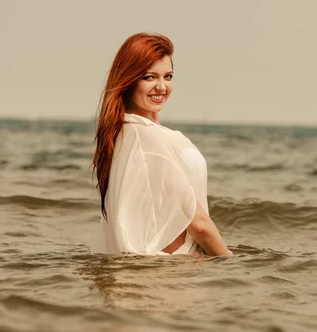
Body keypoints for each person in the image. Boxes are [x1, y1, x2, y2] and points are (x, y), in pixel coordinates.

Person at [91, 33, 232, 257]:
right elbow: (199, 225)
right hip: (172, 272)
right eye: (149, 77)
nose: (161, 87)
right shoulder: (145, 137)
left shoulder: (123, 132)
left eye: (168, 76)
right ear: (128, 80)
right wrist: (232, 267)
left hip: (153, 270)